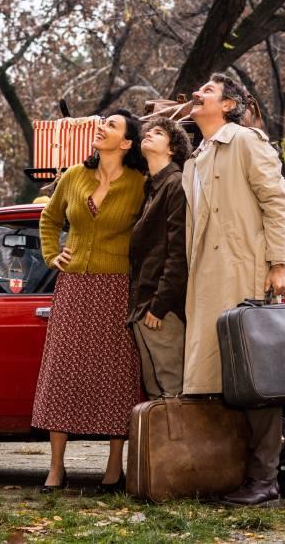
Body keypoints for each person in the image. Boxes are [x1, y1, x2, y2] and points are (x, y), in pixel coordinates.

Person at [182, 72, 285, 507]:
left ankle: (265, 480)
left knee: (254, 378)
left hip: (244, 276)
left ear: (228, 105)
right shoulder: (196, 158)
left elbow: (277, 201)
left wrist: (279, 263)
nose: (197, 93)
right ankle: (230, 474)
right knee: (220, 381)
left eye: (208, 91)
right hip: (206, 281)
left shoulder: (246, 141)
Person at [33, 108, 147, 493]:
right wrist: (53, 255)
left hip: (117, 288)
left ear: (126, 142)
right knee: (62, 372)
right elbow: (49, 219)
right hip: (73, 286)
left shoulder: (139, 183)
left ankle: (114, 468)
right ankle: (55, 468)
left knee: (116, 375)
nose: (101, 127)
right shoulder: (73, 176)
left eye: (111, 125)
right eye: (102, 123)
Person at [127, 117, 193, 398]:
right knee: (156, 393)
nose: (148, 135)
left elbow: (179, 254)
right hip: (144, 305)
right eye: (147, 131)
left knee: (172, 392)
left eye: (158, 133)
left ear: (172, 148)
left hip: (161, 309)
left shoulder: (176, 184)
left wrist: (159, 305)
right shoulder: (152, 188)